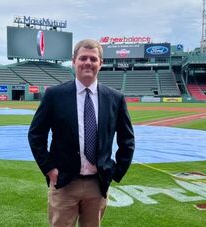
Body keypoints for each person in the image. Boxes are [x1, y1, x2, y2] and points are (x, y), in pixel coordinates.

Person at [28, 39, 135, 227]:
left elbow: (127, 139)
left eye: (93, 59)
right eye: (83, 58)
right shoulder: (54, 95)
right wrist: (50, 170)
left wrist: (115, 171)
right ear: (74, 61)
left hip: (97, 183)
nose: (88, 63)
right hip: (64, 182)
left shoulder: (115, 98)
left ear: (100, 63)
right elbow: (36, 134)